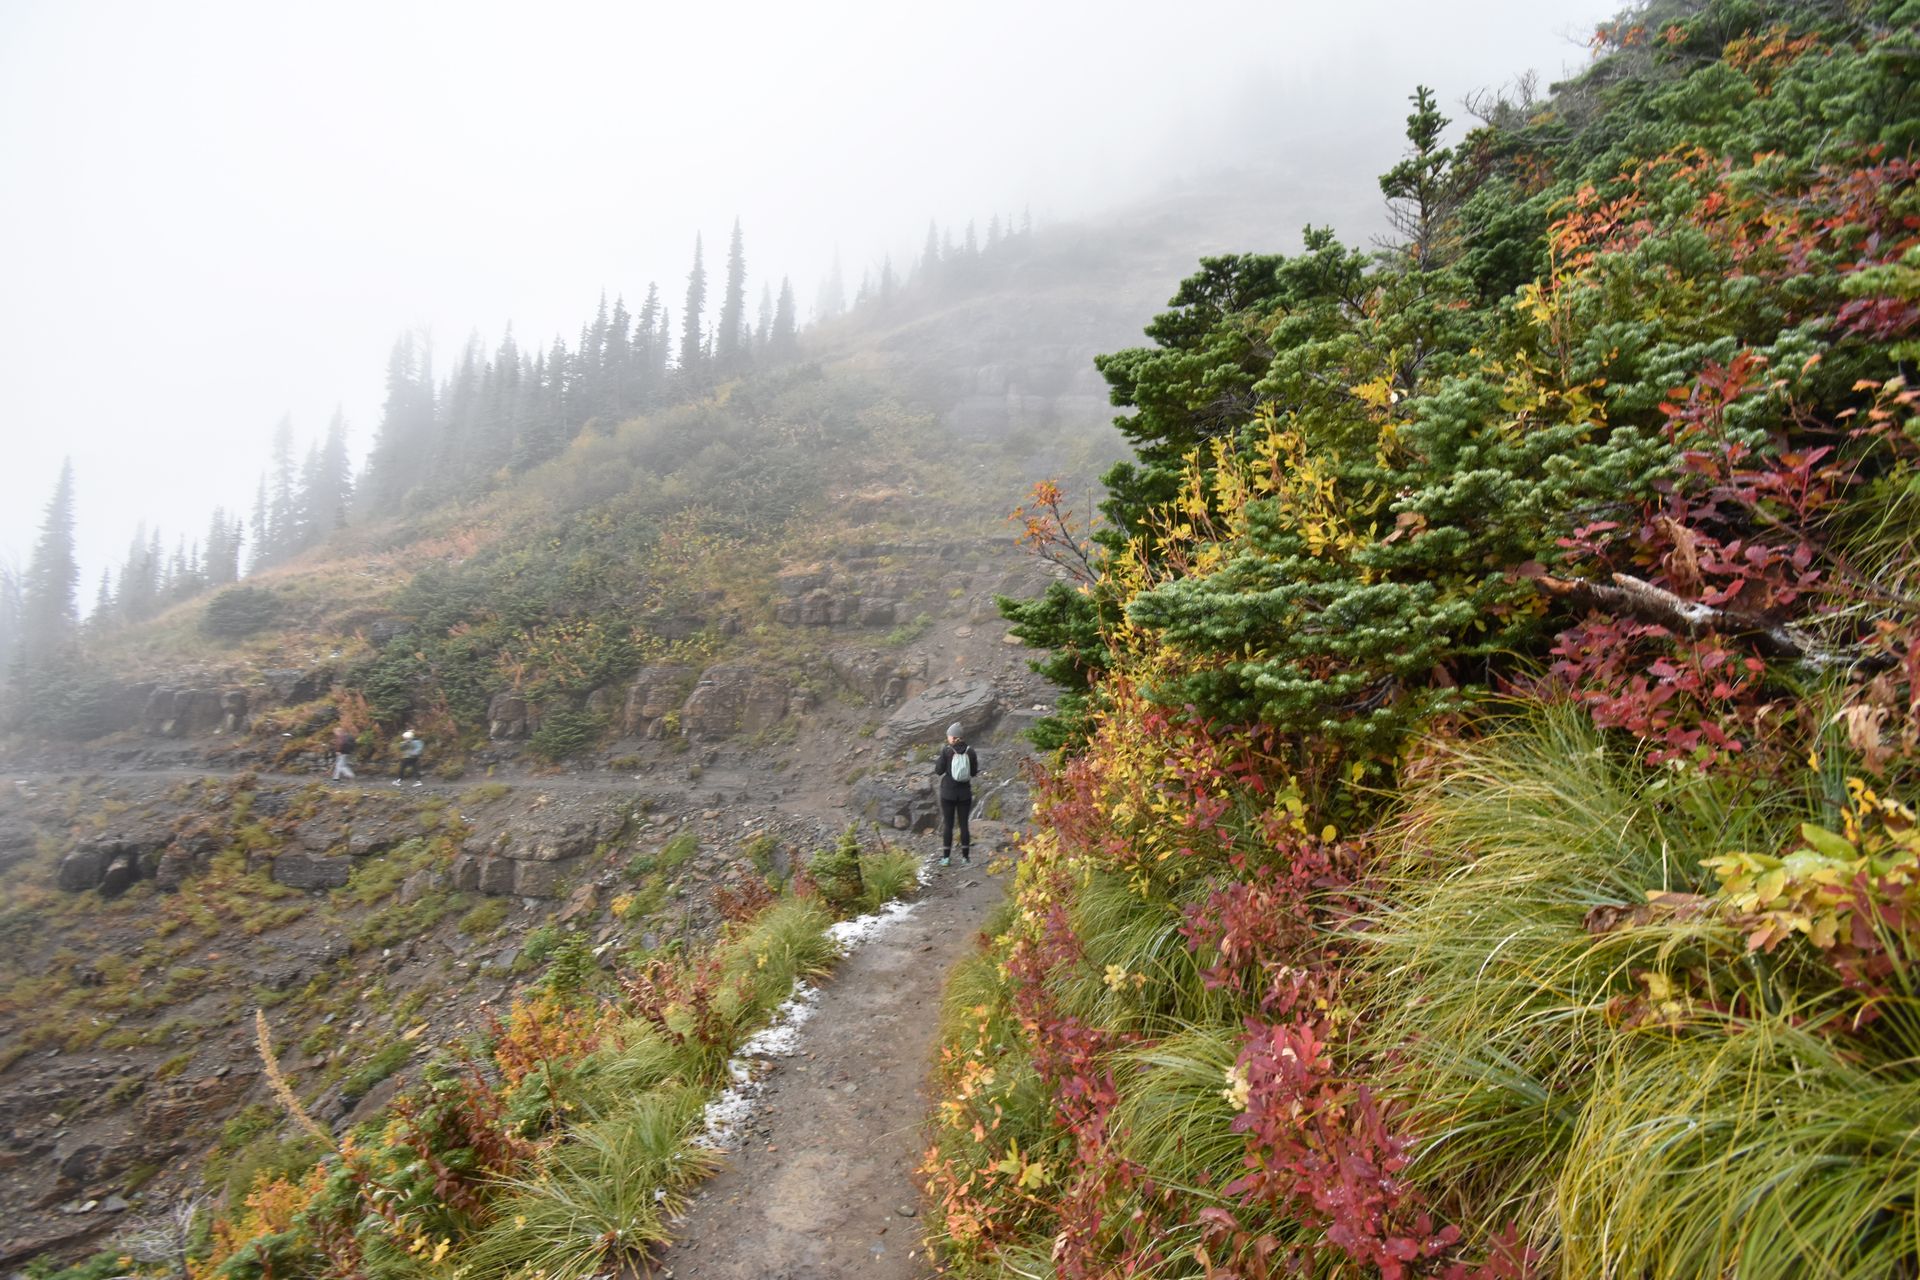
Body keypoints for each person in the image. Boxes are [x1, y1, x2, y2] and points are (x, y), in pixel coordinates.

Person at [932, 721, 980, 867]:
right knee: (964, 825)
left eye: (949, 736)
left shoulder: (947, 751)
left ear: (953, 737)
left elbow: (938, 770)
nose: (948, 738)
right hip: (964, 794)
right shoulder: (971, 751)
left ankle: (946, 858)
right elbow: (973, 773)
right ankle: (966, 858)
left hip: (948, 793)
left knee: (948, 825)